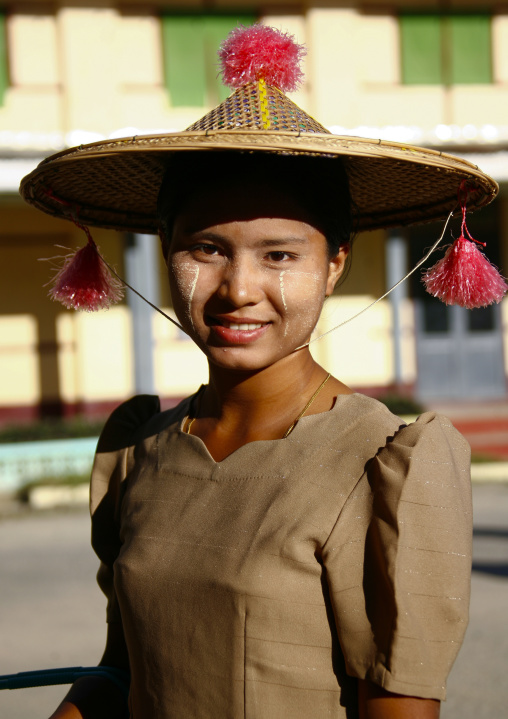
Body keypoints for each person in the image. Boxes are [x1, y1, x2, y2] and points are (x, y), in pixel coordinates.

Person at [20, 25, 497, 719]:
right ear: (165, 252)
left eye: (279, 256)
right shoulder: (139, 450)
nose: (237, 288)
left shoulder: (387, 467)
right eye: (206, 249)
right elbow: (124, 666)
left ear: (334, 263)